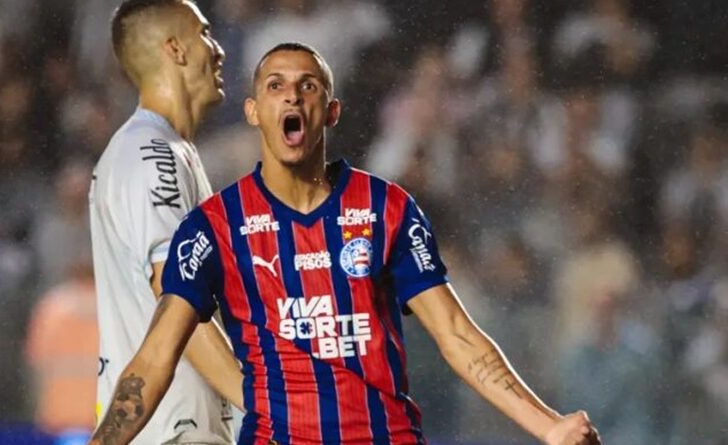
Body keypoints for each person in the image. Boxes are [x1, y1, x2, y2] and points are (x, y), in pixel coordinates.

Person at [89, 42, 602, 445]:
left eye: (307, 86)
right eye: (275, 85)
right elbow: (154, 359)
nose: (292, 96)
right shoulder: (215, 226)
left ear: (331, 111)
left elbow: (457, 336)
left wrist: (549, 427)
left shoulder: (386, 208)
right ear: (253, 111)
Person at [88, 1, 243, 444]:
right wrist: (264, 404)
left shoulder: (164, 150)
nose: (218, 49)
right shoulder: (152, 156)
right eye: (205, 33)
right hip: (175, 431)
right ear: (175, 49)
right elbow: (178, 300)